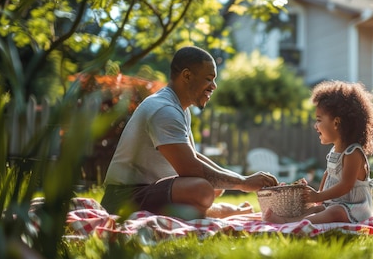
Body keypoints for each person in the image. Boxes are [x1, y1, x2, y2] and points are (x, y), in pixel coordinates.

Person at [101, 46, 279, 219]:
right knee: (201, 189)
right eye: (209, 79)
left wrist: (238, 178)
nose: (214, 86)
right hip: (123, 198)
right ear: (187, 76)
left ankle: (225, 211)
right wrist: (242, 182)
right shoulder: (163, 109)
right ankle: (224, 211)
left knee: (214, 186)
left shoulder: (179, 108)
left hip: (150, 189)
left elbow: (192, 156)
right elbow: (191, 168)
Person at [263, 80, 373, 224]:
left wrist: (319, 196)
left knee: (334, 212)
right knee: (316, 209)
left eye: (319, 120)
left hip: (355, 209)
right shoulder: (335, 150)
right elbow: (328, 173)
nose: (315, 126)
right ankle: (289, 220)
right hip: (336, 203)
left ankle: (295, 223)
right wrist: (318, 198)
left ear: (336, 123)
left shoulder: (353, 153)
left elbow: (346, 185)